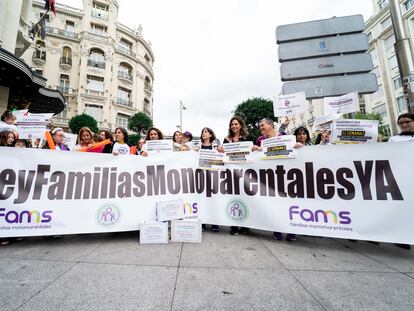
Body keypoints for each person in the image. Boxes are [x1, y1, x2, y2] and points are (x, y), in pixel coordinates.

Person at [254, 118, 297, 242]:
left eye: (262, 125)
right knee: (275, 203)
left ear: (271, 125)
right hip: (270, 175)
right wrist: (255, 149)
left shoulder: (284, 136)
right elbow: (257, 156)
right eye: (260, 126)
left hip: (286, 174)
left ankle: (291, 230)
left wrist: (298, 146)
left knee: (288, 203)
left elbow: (292, 150)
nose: (260, 127)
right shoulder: (260, 140)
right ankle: (277, 229)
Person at [219, 116, 251, 235]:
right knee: (232, 199)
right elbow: (223, 153)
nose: (234, 126)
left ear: (241, 125)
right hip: (231, 173)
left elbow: (251, 153)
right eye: (232, 124)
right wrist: (221, 150)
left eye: (236, 124)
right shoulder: (227, 139)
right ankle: (234, 225)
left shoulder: (247, 139)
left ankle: (245, 225)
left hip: (245, 173)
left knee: (245, 198)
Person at [388, 113, 414, 250]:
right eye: (401, 123)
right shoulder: (393, 140)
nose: (404, 125)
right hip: (401, 179)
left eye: (407, 122)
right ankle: (402, 237)